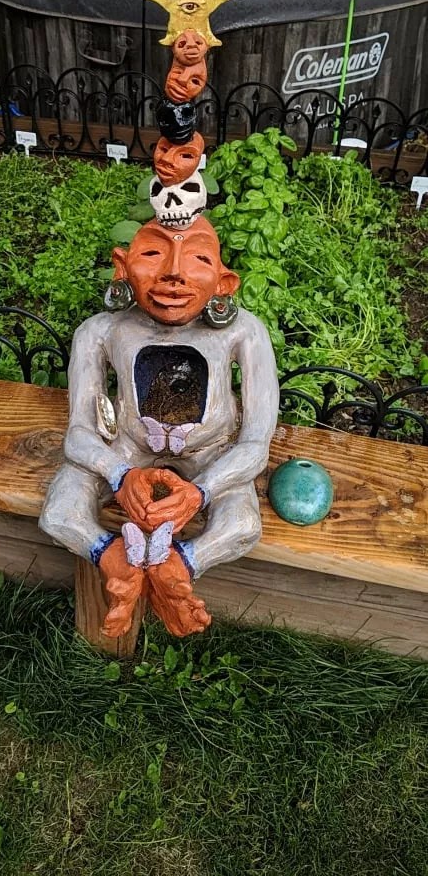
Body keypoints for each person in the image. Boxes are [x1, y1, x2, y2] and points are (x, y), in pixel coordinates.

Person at [40, 216, 279, 638]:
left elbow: (256, 443)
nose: (173, 273)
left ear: (224, 282)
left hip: (211, 450)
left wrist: (201, 490)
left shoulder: (244, 333)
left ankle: (178, 565)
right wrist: (119, 473)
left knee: (242, 525)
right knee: (59, 510)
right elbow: (78, 433)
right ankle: (115, 559)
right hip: (127, 445)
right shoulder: (100, 331)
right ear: (122, 266)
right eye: (152, 253)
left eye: (198, 259)